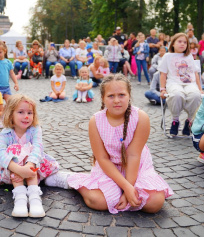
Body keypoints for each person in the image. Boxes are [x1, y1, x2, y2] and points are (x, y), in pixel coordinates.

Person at [68, 74, 173, 213]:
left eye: (121, 95)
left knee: (155, 202)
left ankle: (122, 192)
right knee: (97, 201)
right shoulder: (96, 121)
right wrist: (128, 188)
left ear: (129, 95)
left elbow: (133, 155)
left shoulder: (141, 117)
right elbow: (103, 158)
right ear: (103, 98)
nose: (116, 100)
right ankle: (75, 182)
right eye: (111, 96)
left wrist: (126, 190)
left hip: (136, 166)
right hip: (109, 167)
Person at [0, 94, 61, 218]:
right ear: (11, 114)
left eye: (30, 113)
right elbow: (1, 154)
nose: (26, 116)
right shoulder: (5, 133)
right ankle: (20, 197)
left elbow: (38, 148)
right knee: (14, 150)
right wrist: (19, 169)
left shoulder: (35, 129)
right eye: (21, 112)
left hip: (32, 167)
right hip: (11, 170)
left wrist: (29, 166)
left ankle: (34, 196)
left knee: (30, 150)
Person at [159, 33, 203, 136]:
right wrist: (162, 89)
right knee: (177, 95)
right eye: (179, 41)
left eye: (185, 42)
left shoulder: (189, 56)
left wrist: (200, 89)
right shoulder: (167, 56)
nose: (182, 44)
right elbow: (163, 74)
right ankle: (175, 120)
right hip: (174, 83)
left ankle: (189, 121)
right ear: (173, 43)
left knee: (196, 95)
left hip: (190, 83)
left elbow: (195, 73)